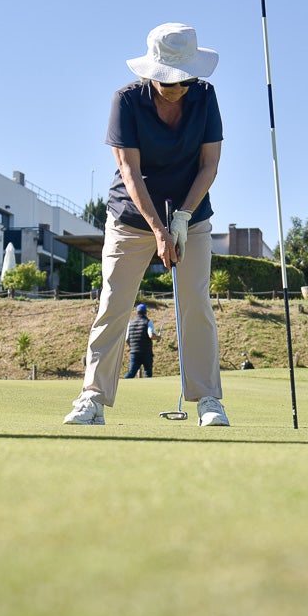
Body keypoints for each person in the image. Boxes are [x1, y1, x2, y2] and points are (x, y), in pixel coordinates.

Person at [64, 23, 229, 427]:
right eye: (169, 80)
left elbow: (209, 164)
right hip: (131, 218)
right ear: (151, 73)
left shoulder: (205, 98)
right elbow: (129, 170)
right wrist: (159, 230)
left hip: (191, 215)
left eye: (184, 80)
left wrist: (185, 218)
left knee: (196, 305)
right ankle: (93, 399)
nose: (177, 87)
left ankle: (208, 400)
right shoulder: (126, 101)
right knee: (113, 303)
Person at [124, 303, 157, 379]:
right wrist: (158, 337)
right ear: (146, 312)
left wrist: (132, 347)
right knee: (148, 373)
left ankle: (122, 384)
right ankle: (148, 389)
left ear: (137, 312)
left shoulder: (130, 323)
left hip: (134, 353)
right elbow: (151, 335)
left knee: (131, 373)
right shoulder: (148, 322)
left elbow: (127, 339)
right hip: (146, 352)